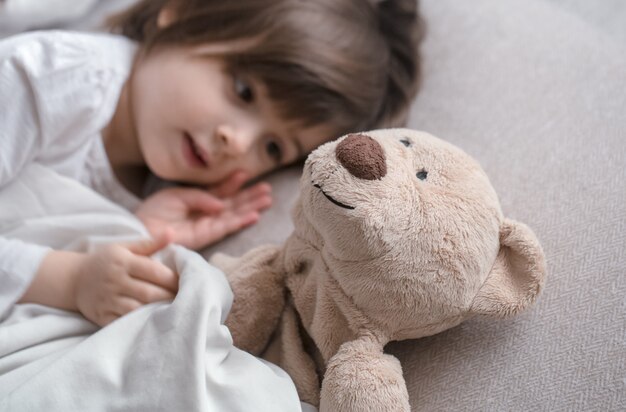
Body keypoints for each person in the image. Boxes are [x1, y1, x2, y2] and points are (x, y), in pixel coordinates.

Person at [0, 0, 423, 326]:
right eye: (243, 91)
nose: (237, 141)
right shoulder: (49, 77)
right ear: (180, 12)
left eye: (273, 147)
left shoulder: (155, 179)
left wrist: (134, 230)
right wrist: (70, 280)